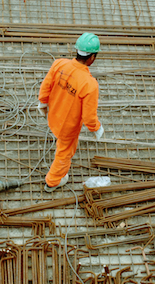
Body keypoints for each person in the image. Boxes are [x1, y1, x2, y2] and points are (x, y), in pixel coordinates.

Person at [38, 33, 104, 192]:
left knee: (60, 142)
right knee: (64, 153)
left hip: (53, 116)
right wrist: (96, 128)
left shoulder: (59, 64)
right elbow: (89, 117)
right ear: (92, 58)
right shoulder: (90, 85)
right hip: (67, 127)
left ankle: (54, 177)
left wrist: (42, 103)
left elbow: (45, 86)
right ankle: (52, 182)